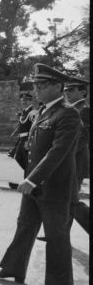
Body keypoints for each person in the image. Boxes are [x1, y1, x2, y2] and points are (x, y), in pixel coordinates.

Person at [0, 64, 81, 285]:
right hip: (34, 183)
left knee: (56, 236)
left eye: (42, 85)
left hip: (55, 187)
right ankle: (13, 268)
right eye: (36, 85)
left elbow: (58, 151)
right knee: (25, 226)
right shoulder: (42, 112)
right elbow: (32, 148)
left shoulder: (68, 113)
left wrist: (33, 179)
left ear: (58, 86)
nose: (36, 89)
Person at [63, 75, 89, 234]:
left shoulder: (84, 110)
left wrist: (63, 154)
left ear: (83, 92)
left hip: (76, 162)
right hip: (70, 162)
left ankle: (60, 232)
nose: (67, 93)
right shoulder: (72, 109)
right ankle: (60, 232)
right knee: (68, 200)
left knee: (71, 201)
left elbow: (83, 139)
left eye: (71, 90)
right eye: (66, 90)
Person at [7, 92, 38, 189]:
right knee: (18, 157)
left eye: (26, 100)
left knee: (27, 161)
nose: (23, 102)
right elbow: (21, 126)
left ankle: (28, 181)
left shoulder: (33, 113)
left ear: (30, 101)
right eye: (22, 100)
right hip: (21, 139)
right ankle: (30, 178)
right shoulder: (24, 113)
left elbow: (36, 128)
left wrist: (29, 141)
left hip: (27, 141)